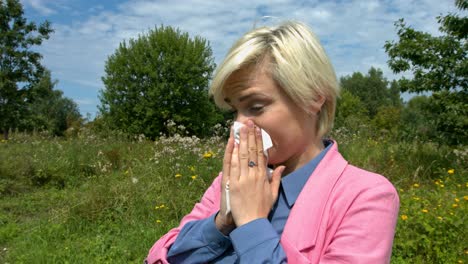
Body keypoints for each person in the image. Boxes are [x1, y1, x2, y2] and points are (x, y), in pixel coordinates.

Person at [145, 21, 399, 264]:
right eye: (234, 111)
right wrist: (222, 221)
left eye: (255, 107)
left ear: (313, 97)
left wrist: (252, 225)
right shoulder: (233, 181)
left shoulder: (365, 196)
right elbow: (162, 254)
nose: (239, 125)